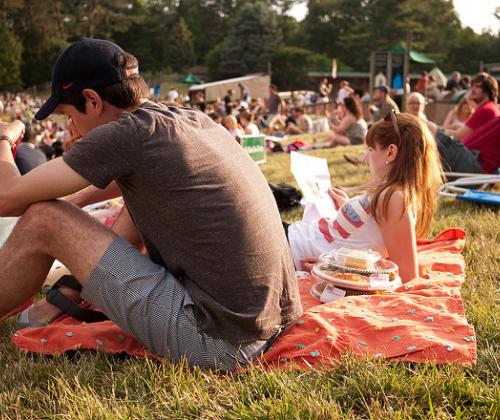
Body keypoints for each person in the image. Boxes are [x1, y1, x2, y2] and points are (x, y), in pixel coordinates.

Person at [0, 38, 301, 371]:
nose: (70, 128)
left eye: (69, 116)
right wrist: (76, 204)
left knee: (44, 219)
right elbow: (134, 185)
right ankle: (68, 294)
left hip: (221, 342)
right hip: (273, 320)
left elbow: (6, 197)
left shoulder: (126, 135)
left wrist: (6, 137)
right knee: (101, 207)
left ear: (92, 100)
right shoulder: (186, 120)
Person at [285, 112, 443, 282]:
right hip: (293, 240)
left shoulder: (395, 198)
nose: (367, 159)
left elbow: (406, 276)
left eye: (370, 149)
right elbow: (367, 233)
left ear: (390, 152)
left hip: (290, 249)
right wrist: (347, 207)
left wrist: (332, 268)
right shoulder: (392, 193)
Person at [446, 73, 500, 140]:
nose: (472, 90)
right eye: (472, 86)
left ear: (488, 91)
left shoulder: (486, 110)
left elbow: (458, 135)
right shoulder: (490, 107)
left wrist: (434, 129)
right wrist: (469, 100)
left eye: (478, 87)